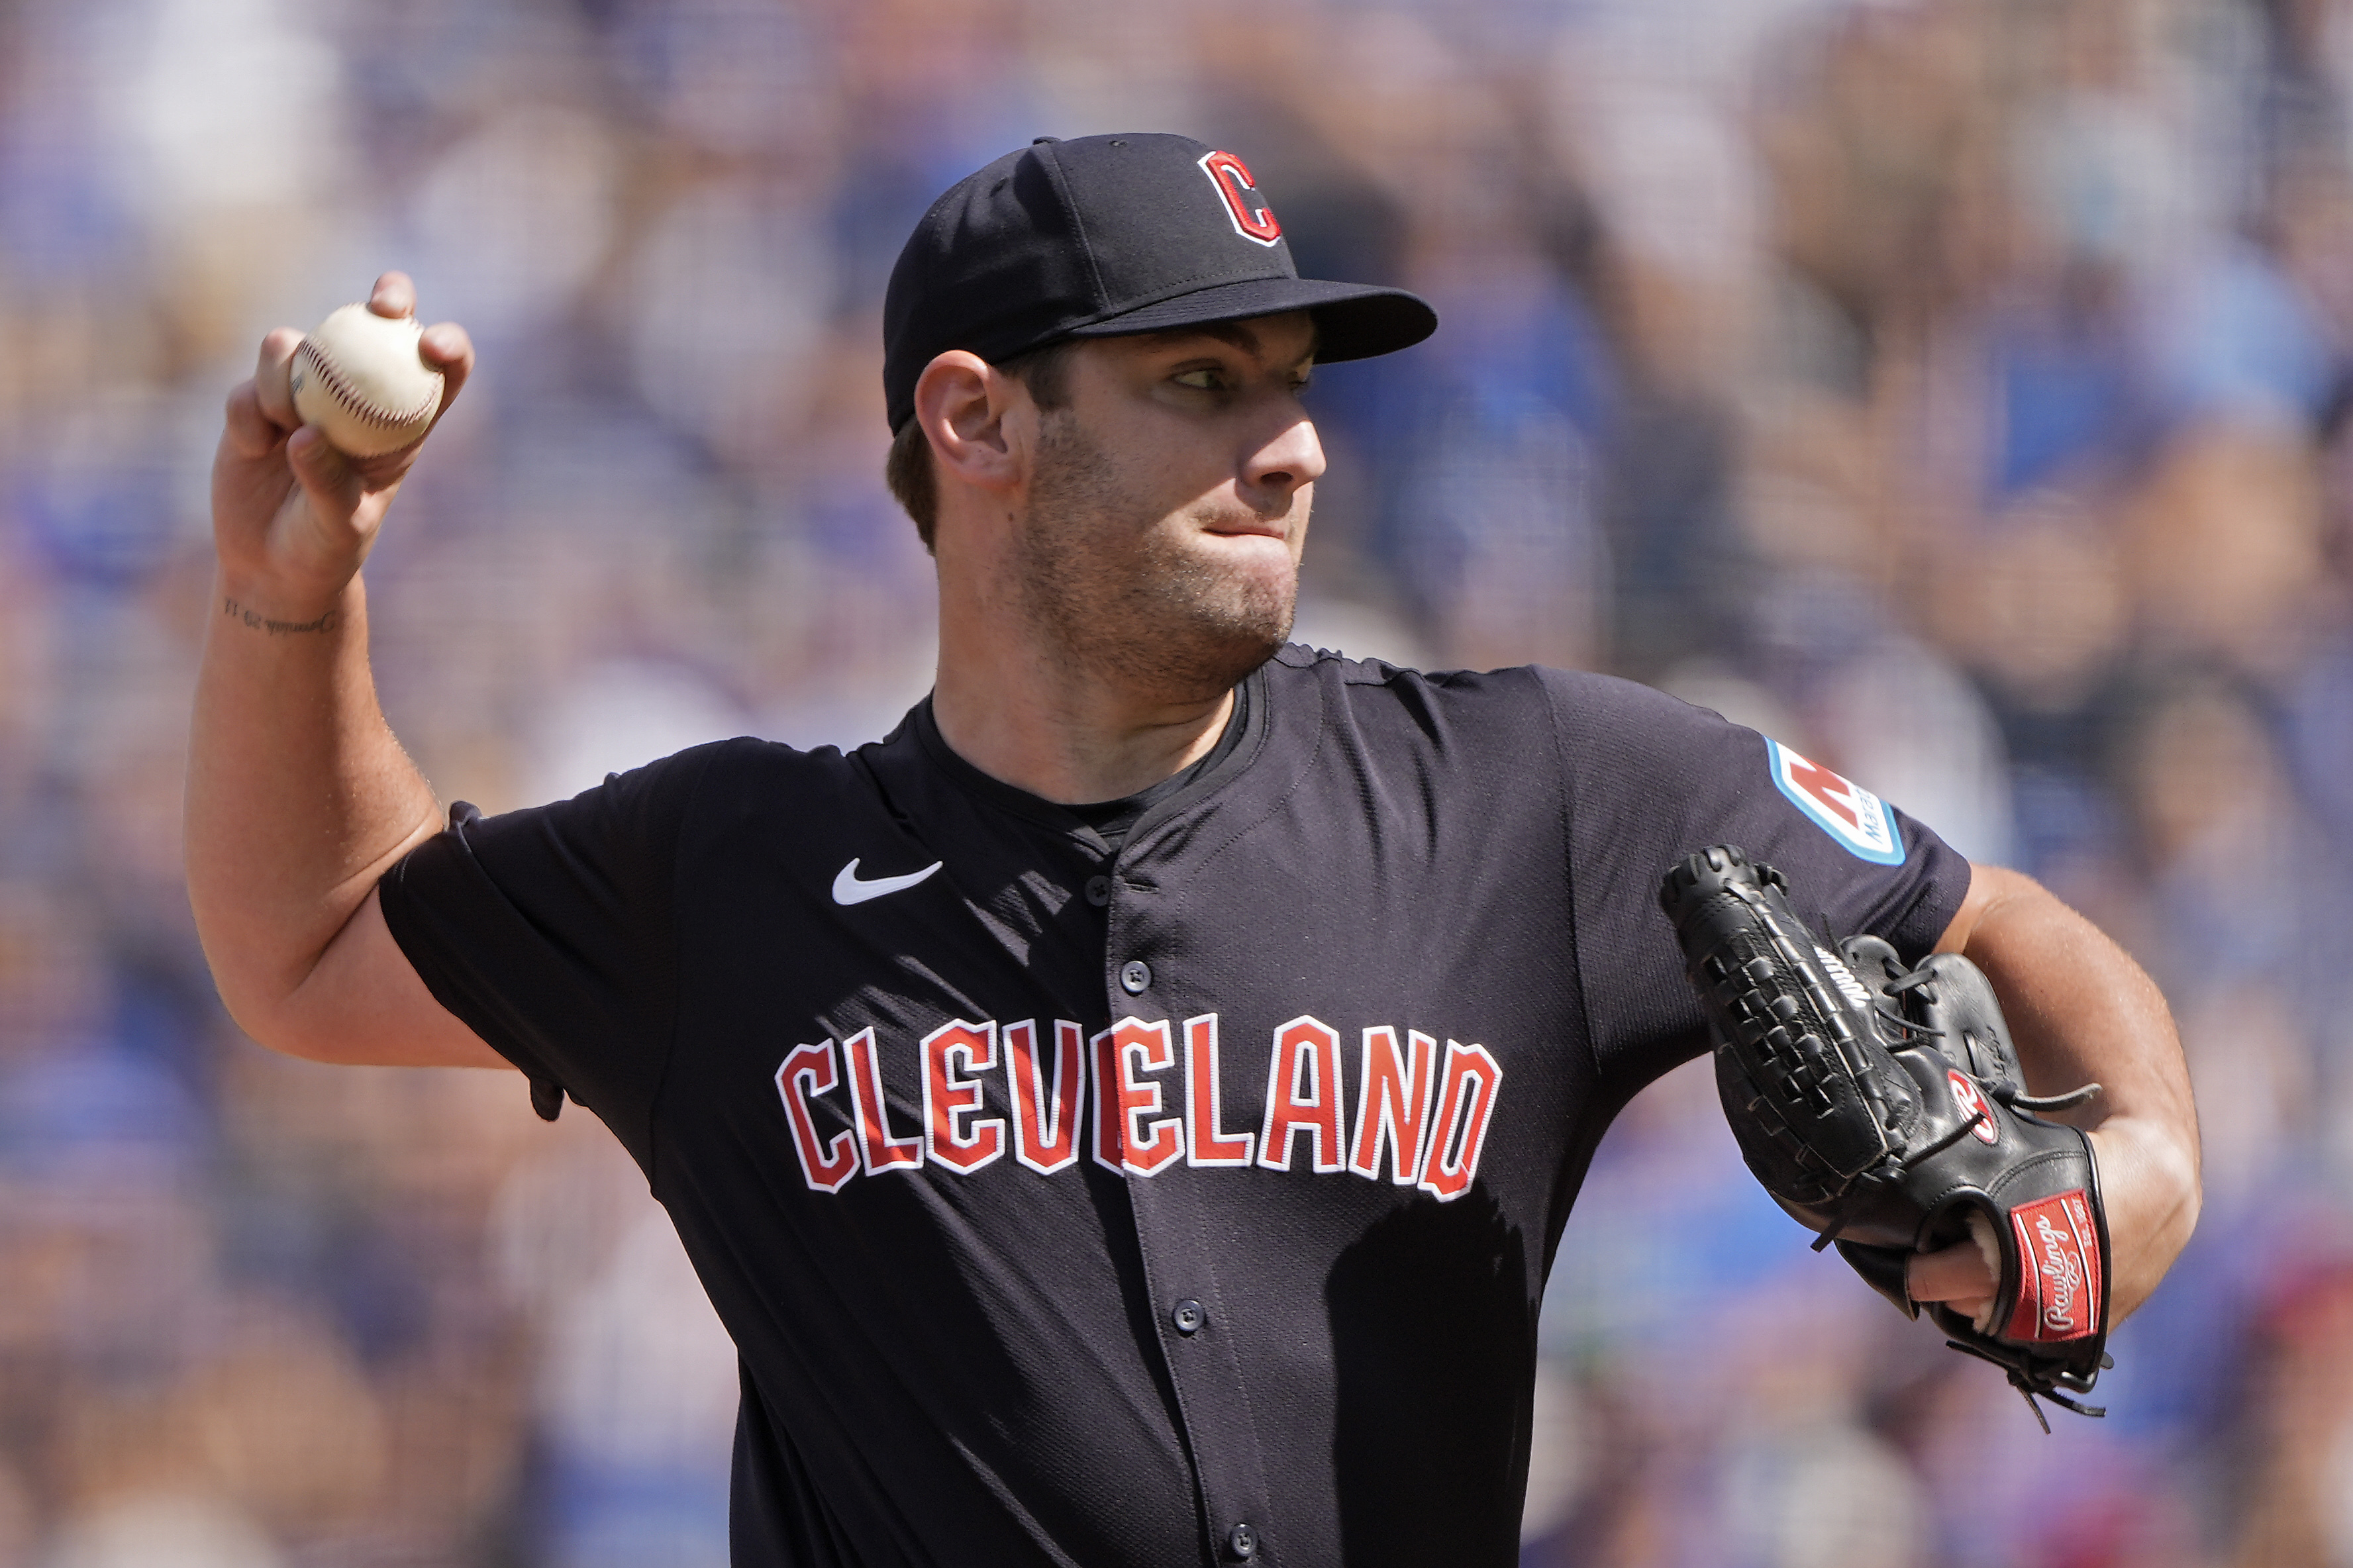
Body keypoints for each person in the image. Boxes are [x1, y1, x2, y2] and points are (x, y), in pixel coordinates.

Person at [186, 133, 2200, 1567]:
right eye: (1199, 384)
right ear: (975, 425)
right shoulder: (729, 870)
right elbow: (311, 947)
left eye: (1294, 389)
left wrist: (2133, 1173)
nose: (1298, 444)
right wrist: (298, 601)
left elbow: (1991, 913)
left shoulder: (1525, 796)